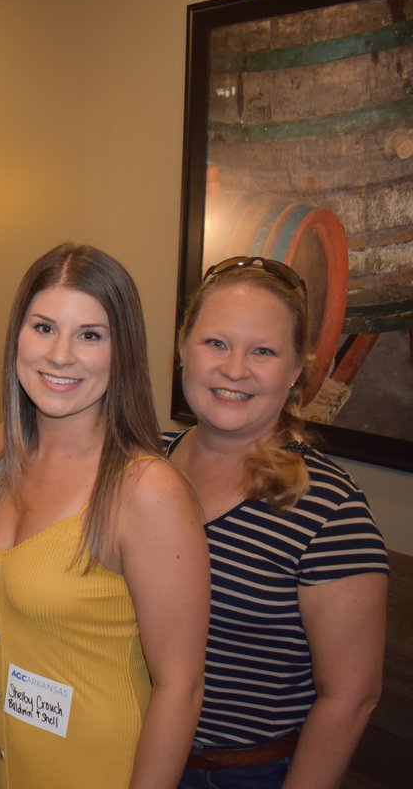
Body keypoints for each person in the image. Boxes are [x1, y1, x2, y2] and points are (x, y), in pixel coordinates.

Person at [0, 244, 210, 788]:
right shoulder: (6, 454)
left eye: (90, 335)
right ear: (17, 337)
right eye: (44, 327)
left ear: (123, 352)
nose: (60, 355)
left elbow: (181, 687)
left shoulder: (145, 491)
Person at [169, 256, 388, 789]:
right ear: (182, 348)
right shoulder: (142, 463)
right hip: (124, 745)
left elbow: (350, 698)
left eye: (263, 351)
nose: (234, 368)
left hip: (238, 774)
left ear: (294, 372)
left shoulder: (330, 508)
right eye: (215, 342)